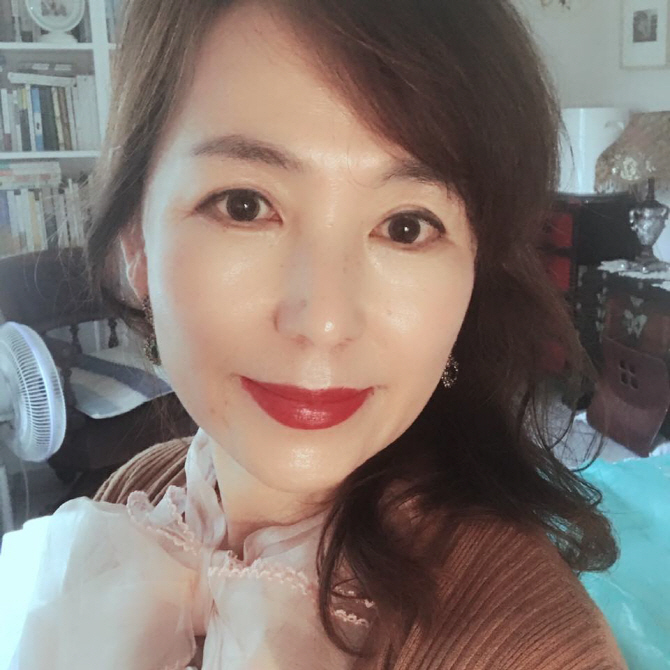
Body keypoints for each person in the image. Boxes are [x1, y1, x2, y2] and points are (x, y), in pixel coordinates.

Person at [0, 0, 628, 668]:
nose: (323, 322)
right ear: (137, 246)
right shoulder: (136, 495)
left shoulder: (532, 648)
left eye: (407, 226)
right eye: (245, 205)